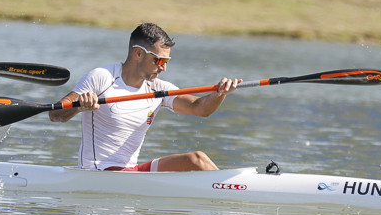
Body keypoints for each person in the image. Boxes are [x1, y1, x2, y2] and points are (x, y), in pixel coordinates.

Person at [49, 23, 240, 171]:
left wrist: (220, 93)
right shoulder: (102, 77)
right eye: (159, 60)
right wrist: (79, 106)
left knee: (197, 160)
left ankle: (233, 191)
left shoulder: (158, 89)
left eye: (167, 61)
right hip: (98, 172)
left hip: (130, 172)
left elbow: (200, 108)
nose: (164, 68)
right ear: (138, 53)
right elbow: (55, 114)